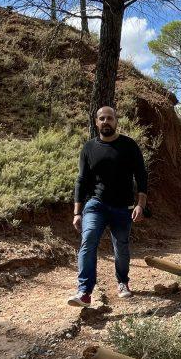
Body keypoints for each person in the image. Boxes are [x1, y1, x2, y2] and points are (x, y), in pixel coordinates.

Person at [68, 106, 147, 307]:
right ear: (96, 122)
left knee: (121, 247)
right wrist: (77, 212)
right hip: (96, 204)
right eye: (101, 118)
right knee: (88, 241)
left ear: (116, 121)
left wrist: (140, 204)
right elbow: (81, 180)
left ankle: (122, 282)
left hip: (123, 207)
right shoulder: (89, 148)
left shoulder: (129, 146)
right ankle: (84, 291)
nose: (106, 121)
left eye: (109, 118)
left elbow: (141, 175)